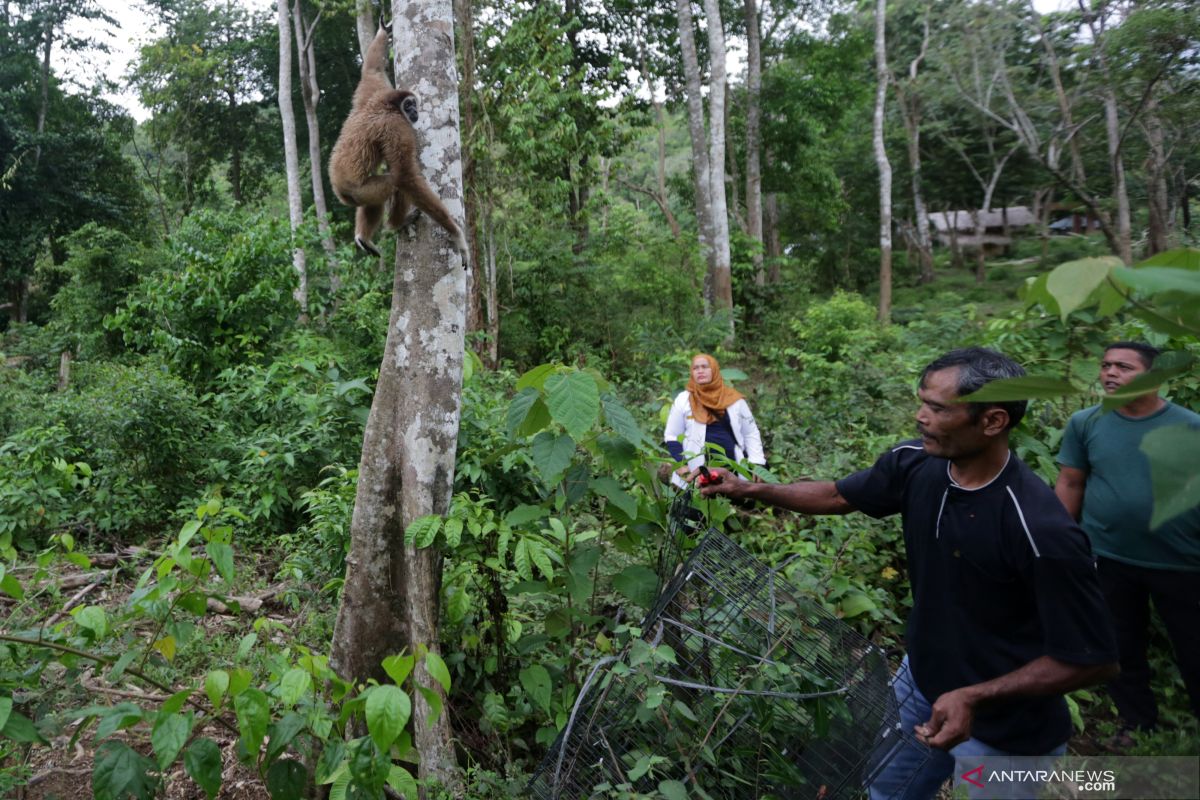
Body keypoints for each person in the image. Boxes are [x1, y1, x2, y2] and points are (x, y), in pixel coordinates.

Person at [697, 347, 1118, 800]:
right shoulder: (916, 463)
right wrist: (751, 489)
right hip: (922, 684)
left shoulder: (1039, 529)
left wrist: (973, 697)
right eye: (921, 402)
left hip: (1008, 733)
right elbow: (839, 497)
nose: (920, 417)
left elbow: (1093, 659)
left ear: (993, 421)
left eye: (937, 408)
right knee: (886, 792)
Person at [1055, 341, 1200, 744]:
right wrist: (1055, 543)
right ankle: (1137, 721)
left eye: (1123, 366)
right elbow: (1071, 482)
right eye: (1105, 365)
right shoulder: (1086, 422)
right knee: (1120, 645)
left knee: (1193, 645)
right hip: (1109, 555)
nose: (1110, 373)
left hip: (1183, 561)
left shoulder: (1190, 427)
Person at [663, 353, 765, 479]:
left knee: (737, 496)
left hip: (735, 469)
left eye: (705, 367)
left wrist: (757, 463)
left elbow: (750, 433)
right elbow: (672, 435)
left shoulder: (735, 400)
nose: (700, 371)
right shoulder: (683, 399)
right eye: (696, 368)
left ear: (714, 369)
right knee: (700, 498)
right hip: (696, 472)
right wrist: (682, 463)